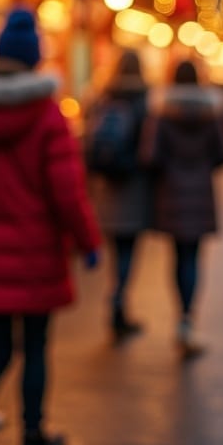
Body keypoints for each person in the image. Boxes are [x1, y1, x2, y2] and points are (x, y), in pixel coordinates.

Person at [0, 7, 100, 445]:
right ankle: (32, 437)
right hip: (36, 255)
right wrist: (88, 242)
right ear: (33, 60)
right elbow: (67, 193)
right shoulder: (47, 116)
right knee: (34, 348)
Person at [142, 59, 223, 359]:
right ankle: (188, 318)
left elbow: (150, 155)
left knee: (177, 256)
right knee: (194, 256)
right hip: (201, 192)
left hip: (171, 193)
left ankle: (180, 314)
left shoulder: (162, 112)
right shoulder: (211, 113)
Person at [85, 49, 152, 340]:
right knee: (128, 249)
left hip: (105, 188)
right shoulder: (146, 101)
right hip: (132, 186)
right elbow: (149, 148)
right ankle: (118, 301)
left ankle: (116, 297)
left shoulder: (102, 97)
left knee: (114, 248)